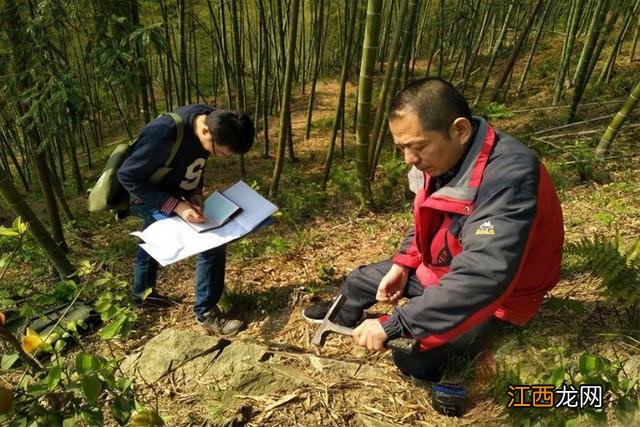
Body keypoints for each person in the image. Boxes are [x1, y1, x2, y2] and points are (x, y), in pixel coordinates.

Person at [303, 78, 564, 381]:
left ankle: (456, 331)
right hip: (441, 265)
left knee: (413, 361)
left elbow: (484, 275)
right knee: (361, 280)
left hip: (500, 298)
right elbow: (424, 217)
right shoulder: (443, 158)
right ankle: (342, 315)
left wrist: (395, 324)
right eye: (401, 148)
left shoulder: (508, 178)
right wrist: (404, 263)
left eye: (417, 147)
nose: (409, 160)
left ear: (460, 130)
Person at [118, 104, 255, 336]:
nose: (217, 156)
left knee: (151, 238)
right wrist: (177, 206)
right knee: (211, 241)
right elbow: (127, 176)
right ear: (205, 133)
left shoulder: (212, 118)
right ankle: (206, 314)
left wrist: (195, 194)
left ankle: (143, 296)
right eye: (219, 152)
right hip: (144, 196)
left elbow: (195, 165)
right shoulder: (163, 132)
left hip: (173, 191)